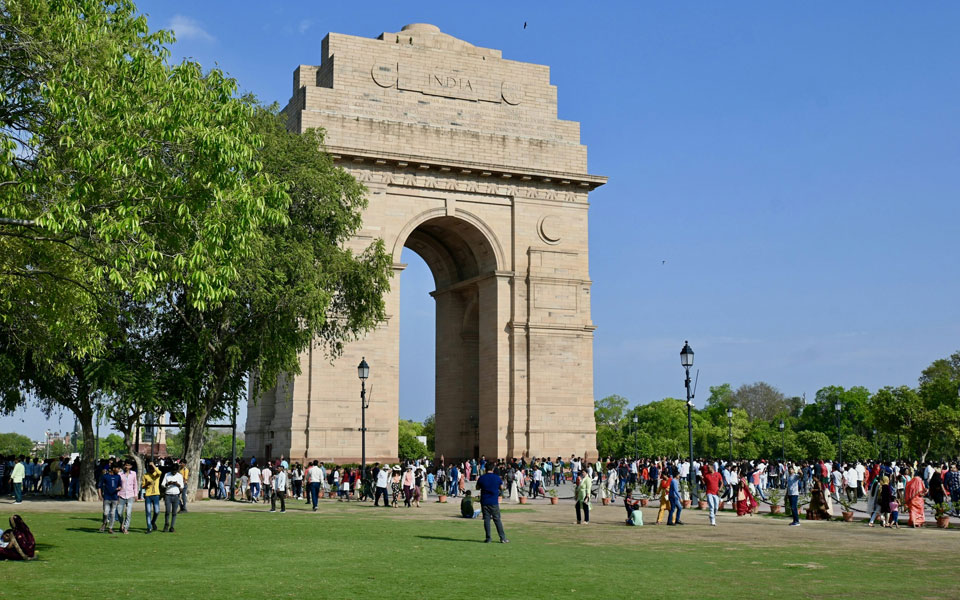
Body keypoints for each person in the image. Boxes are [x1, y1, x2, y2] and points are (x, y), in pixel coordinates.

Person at [476, 463, 508, 543]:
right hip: (494, 501)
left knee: (486, 520)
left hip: (484, 501)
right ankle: (502, 538)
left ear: (485, 469)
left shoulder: (482, 477)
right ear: (493, 469)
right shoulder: (497, 478)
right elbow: (501, 487)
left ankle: (488, 538)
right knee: (497, 519)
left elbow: (477, 487)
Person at [98, 464, 122, 534]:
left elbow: (120, 485)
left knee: (112, 513)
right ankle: (104, 523)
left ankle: (110, 528)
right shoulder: (105, 476)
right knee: (105, 512)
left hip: (114, 498)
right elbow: (99, 486)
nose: (119, 470)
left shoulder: (118, 476)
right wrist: (100, 495)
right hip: (107, 497)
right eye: (117, 468)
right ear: (113, 468)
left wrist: (119, 488)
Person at [161, 464, 184, 533]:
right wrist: (168, 484)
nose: (174, 472)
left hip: (176, 495)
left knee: (174, 512)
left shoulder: (179, 476)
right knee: (167, 511)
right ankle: (166, 524)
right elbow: (162, 485)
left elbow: (182, 487)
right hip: (168, 495)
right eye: (173, 471)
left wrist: (177, 484)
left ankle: (172, 527)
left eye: (175, 471)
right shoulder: (167, 474)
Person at [117, 461, 138, 534]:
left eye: (128, 465)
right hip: (121, 495)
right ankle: (122, 524)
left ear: (131, 466)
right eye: (126, 465)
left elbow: (135, 484)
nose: (126, 467)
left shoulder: (133, 474)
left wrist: (136, 494)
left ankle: (126, 528)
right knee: (119, 513)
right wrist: (117, 493)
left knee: (128, 513)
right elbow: (118, 484)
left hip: (130, 495)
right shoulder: (120, 474)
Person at [141, 462, 162, 534]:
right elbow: (142, 486)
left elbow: (159, 472)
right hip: (148, 495)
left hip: (156, 495)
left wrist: (153, 465)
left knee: (157, 511)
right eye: (150, 469)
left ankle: (153, 521)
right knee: (148, 511)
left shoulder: (156, 474)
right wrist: (147, 484)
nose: (152, 470)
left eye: (153, 469)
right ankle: (149, 527)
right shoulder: (145, 475)